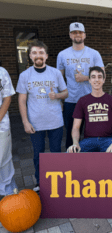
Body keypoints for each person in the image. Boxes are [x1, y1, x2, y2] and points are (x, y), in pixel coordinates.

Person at [16, 41, 68, 193]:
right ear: (30, 56)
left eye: (41, 53)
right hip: (35, 123)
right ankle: (40, 182)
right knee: (38, 155)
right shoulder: (25, 75)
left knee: (56, 153)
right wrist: (25, 122)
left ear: (46, 55)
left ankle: (58, 182)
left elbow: (65, 93)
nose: (38, 56)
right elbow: (21, 100)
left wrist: (57, 95)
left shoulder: (55, 73)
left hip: (55, 121)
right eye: (34, 53)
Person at [57, 22, 105, 150]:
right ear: (70, 35)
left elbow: (102, 74)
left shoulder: (94, 53)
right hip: (71, 101)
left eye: (80, 32)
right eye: (74, 32)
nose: (77, 35)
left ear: (84, 35)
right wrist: (59, 99)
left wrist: (85, 78)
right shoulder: (62, 55)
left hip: (91, 99)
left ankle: (91, 162)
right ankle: (71, 162)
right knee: (71, 134)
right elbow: (58, 79)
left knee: (93, 133)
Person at [67, 66, 112, 153]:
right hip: (88, 141)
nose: (96, 80)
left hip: (108, 140)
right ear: (89, 80)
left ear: (104, 80)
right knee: (70, 154)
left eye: (99, 77)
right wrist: (75, 143)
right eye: (93, 77)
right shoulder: (83, 101)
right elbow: (75, 127)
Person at [0, 67, 18, 196]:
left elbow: (7, 98)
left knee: (4, 160)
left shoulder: (2, 72)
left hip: (2, 126)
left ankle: (8, 193)